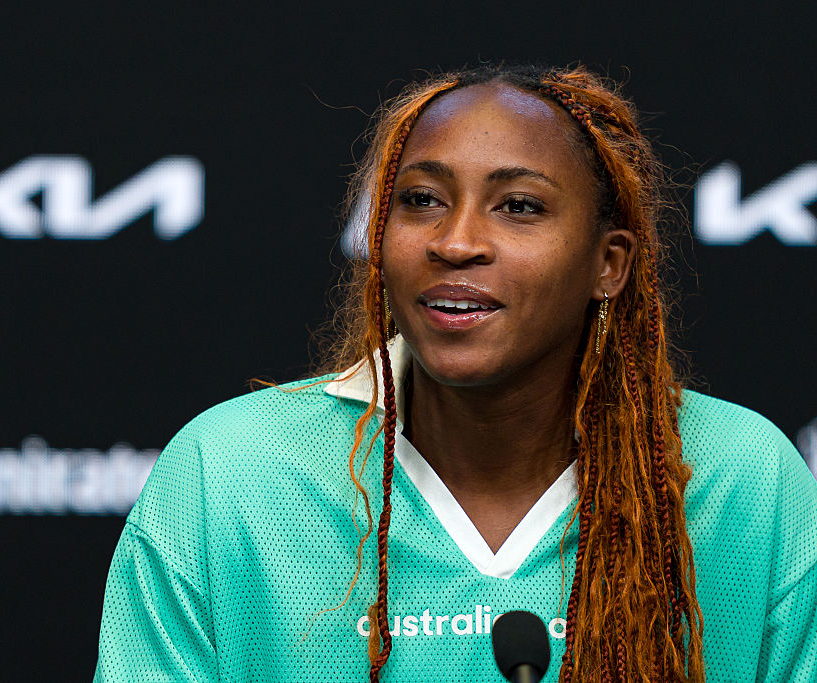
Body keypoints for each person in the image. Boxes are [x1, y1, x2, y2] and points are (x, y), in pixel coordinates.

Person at [93, 64, 817, 682]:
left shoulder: (741, 481)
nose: (457, 240)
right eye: (421, 200)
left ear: (609, 264)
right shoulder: (228, 474)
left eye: (519, 206)